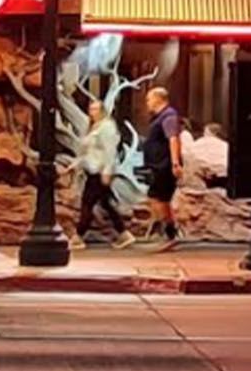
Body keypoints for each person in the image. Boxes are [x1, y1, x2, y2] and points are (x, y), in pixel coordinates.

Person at [74, 99, 134, 250]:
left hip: (99, 172)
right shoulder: (92, 127)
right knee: (106, 203)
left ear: (102, 111)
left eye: (96, 109)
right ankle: (124, 233)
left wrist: (107, 171)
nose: (92, 112)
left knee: (87, 203)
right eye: (91, 109)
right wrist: (75, 164)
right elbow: (87, 152)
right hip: (92, 171)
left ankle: (78, 236)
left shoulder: (107, 127)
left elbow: (109, 151)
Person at [141, 86, 184, 251]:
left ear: (159, 99)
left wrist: (175, 163)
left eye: (149, 99)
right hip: (158, 165)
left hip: (164, 166)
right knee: (159, 198)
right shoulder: (160, 117)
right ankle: (168, 233)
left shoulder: (169, 116)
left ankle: (169, 234)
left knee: (158, 198)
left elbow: (173, 138)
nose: (147, 103)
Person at [188, 122, 231, 189]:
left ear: (208, 132)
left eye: (205, 132)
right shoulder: (225, 145)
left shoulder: (200, 142)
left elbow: (191, 156)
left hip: (204, 176)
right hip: (223, 175)